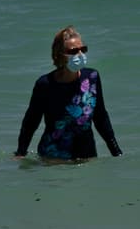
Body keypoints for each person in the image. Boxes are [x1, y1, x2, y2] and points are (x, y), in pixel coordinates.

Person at [15, 26, 122, 161]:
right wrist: (20, 153)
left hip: (86, 157)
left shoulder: (92, 77)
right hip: (53, 158)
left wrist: (116, 151)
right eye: (73, 51)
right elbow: (31, 121)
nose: (80, 55)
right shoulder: (45, 84)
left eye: (82, 50)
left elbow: (100, 117)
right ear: (60, 55)